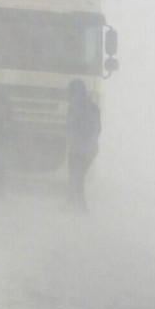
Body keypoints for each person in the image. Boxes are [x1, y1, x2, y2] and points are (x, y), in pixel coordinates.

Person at [66, 78, 101, 211]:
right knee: (74, 176)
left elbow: (94, 130)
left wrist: (82, 145)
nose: (68, 96)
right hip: (79, 148)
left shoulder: (87, 108)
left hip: (84, 149)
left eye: (70, 93)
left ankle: (81, 208)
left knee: (77, 178)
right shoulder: (88, 107)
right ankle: (72, 205)